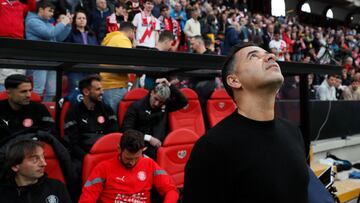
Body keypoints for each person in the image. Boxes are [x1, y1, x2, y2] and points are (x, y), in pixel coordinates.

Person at [183, 43, 309, 203]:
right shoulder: (212, 148)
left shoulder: (293, 132)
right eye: (254, 56)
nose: (271, 56)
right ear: (234, 80)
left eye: (268, 53)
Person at [79, 129, 179, 203]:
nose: (132, 162)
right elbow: (87, 199)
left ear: (142, 150)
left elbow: (171, 190)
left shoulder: (150, 164)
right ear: (119, 149)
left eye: (137, 157)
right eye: (128, 158)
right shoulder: (103, 168)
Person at [121, 78, 188, 160]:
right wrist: (149, 138)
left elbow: (183, 101)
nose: (156, 104)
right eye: (156, 99)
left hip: (162, 146)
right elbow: (126, 130)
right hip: (142, 147)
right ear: (152, 93)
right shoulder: (136, 107)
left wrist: (169, 85)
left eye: (161, 102)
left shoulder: (166, 105)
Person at [64, 74, 119, 162]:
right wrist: (87, 158)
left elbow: (114, 133)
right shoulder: (73, 112)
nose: (102, 92)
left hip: (105, 152)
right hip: (83, 156)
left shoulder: (107, 109)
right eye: (98, 89)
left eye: (101, 89)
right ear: (86, 92)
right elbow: (72, 143)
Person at [25, 0, 72, 101]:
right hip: (39, 59)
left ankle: (45, 112)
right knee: (38, 90)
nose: (52, 14)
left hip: (51, 60)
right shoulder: (32, 21)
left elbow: (58, 38)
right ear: (41, 10)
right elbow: (50, 33)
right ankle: (34, 113)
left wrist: (68, 26)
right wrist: (63, 22)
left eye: (53, 11)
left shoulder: (48, 23)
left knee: (52, 92)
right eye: (50, 11)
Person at [0, 139, 71, 202]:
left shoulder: (57, 187)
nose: (44, 163)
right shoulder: (3, 194)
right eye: (34, 159)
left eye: (43, 157)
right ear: (15, 166)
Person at [0, 74, 56, 143]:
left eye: (30, 90)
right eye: (23, 91)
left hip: (34, 148)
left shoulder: (39, 108)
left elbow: (50, 132)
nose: (29, 95)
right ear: (9, 93)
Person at [101, 21, 135, 114]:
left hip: (106, 84)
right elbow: (127, 63)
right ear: (131, 32)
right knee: (115, 120)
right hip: (115, 85)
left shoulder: (112, 38)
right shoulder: (123, 39)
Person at [65, 10, 99, 97]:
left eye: (84, 18)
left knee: (92, 92)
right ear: (75, 20)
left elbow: (96, 50)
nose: (82, 20)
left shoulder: (92, 34)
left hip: (90, 68)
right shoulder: (70, 33)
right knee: (75, 91)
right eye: (79, 18)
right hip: (76, 68)